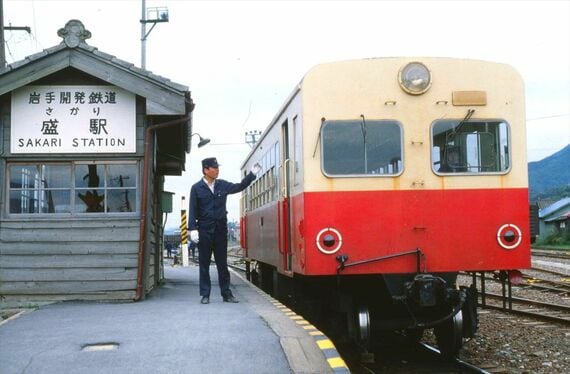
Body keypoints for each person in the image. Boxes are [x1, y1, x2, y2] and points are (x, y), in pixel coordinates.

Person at [188, 157, 260, 304]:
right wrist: (192, 229)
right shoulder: (196, 188)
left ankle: (226, 294)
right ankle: (205, 294)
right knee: (204, 263)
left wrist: (252, 174)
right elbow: (193, 209)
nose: (217, 170)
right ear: (206, 170)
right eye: (214, 168)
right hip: (204, 231)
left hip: (220, 231)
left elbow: (239, 186)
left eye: (218, 167)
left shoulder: (222, 185)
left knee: (222, 263)